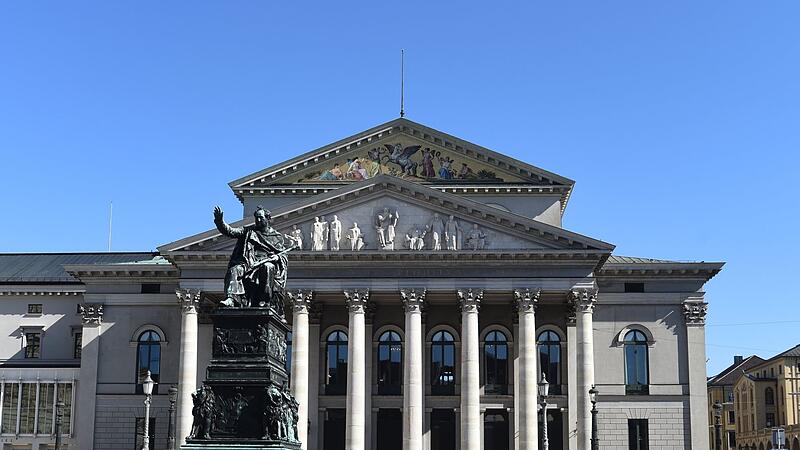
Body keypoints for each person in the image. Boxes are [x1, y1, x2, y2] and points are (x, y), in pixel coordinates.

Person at [214, 206, 297, 309]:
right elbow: (230, 231)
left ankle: (264, 299)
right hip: (249, 262)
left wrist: (277, 258)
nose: (258, 220)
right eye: (256, 218)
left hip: (265, 263)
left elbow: (282, 255)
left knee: (268, 267)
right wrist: (219, 221)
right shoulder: (248, 231)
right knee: (235, 269)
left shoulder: (276, 236)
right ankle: (231, 298)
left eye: (261, 218)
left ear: (267, 218)